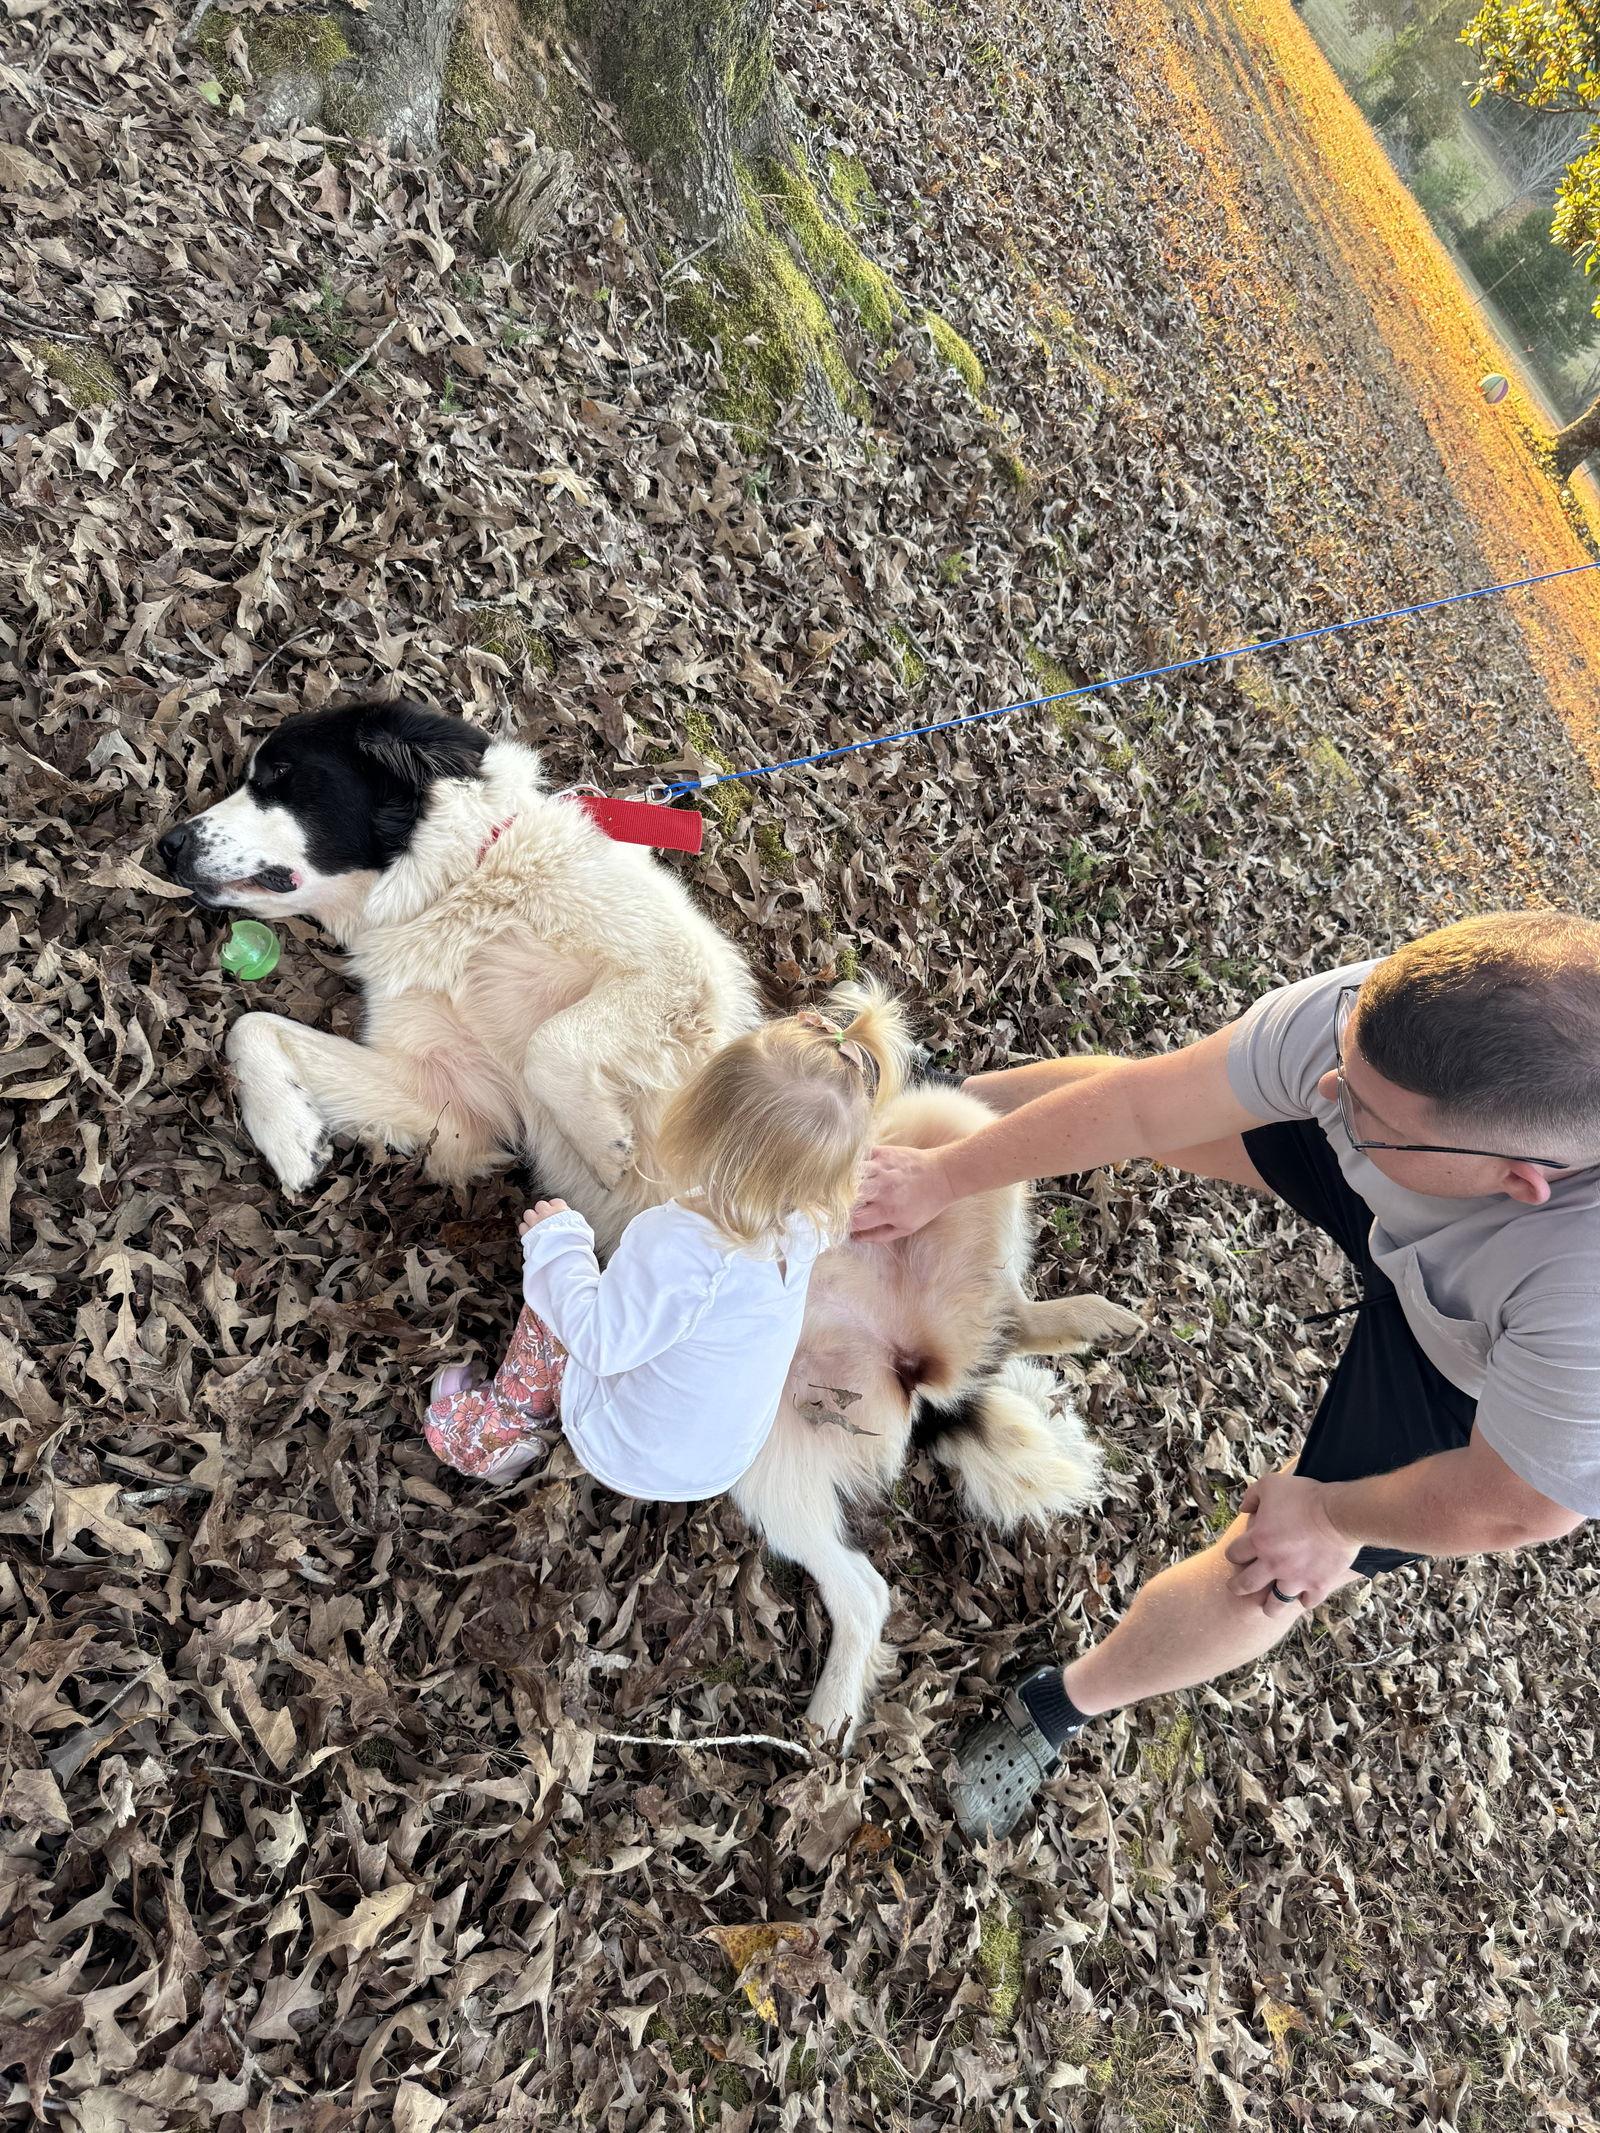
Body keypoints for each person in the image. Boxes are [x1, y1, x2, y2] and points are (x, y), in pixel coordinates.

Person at [852, 913, 1598, 1840]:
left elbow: (1517, 1504)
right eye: (1345, 1060)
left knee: (1277, 1571)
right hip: (1423, 1188)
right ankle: (934, 1100)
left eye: (1363, 1106)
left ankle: (1054, 1707)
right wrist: (939, 1166)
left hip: (1475, 1372)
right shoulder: (1356, 1038)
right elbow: (1140, 1106)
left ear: (1520, 1177)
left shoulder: (1585, 1302)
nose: (1325, 1093)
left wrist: (1330, 1514)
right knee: (1165, 1110)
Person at [425, 989, 907, 1499]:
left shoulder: (681, 1244)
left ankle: (496, 1433)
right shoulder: (809, 1221)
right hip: (719, 1455)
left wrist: (558, 1245)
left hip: (633, 1447)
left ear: (698, 1114)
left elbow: (599, 1341)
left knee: (554, 1300)